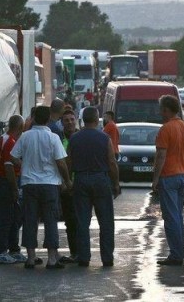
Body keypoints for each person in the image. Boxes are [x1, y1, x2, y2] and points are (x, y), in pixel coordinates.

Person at [11, 106, 73, 269]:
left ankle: (31, 258)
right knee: (50, 220)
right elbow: (61, 161)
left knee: (30, 219)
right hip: (49, 185)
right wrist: (66, 181)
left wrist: (24, 165)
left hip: (29, 184)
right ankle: (52, 258)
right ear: (47, 119)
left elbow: (13, 156)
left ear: (34, 119)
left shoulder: (25, 136)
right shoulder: (53, 138)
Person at [67, 106, 121, 267]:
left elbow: (68, 161)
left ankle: (84, 257)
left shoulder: (74, 138)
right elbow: (112, 162)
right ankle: (107, 258)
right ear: (97, 119)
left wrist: (69, 181)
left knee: (82, 221)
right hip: (100, 180)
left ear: (83, 119)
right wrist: (116, 184)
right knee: (105, 221)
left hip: (81, 179)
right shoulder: (104, 138)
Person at [152, 95, 184, 266]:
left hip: (168, 177)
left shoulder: (165, 129)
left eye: (161, 109)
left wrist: (155, 180)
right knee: (177, 215)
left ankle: (176, 255)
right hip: (182, 176)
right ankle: (180, 251)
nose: (159, 112)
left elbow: (161, 156)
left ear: (166, 110)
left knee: (171, 218)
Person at [0, 115, 26, 264]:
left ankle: (13, 249)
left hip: (1, 181)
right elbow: (8, 167)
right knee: (5, 218)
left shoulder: (2, 139)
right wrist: (14, 188)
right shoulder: (10, 142)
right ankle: (1, 251)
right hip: (5, 182)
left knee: (13, 216)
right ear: (20, 127)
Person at [58, 110, 79, 263]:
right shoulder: (58, 139)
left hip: (79, 185)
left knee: (80, 220)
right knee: (70, 221)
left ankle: (81, 252)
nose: (70, 122)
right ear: (62, 122)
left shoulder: (80, 138)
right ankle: (74, 252)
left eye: (72, 119)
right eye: (66, 120)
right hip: (63, 186)